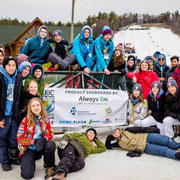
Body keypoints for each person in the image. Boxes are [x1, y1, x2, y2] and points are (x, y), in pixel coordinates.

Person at [17, 97, 55, 179]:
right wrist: (33, 141)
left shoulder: (45, 119)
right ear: (30, 108)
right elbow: (19, 137)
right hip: (29, 148)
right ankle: (28, 162)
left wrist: (44, 139)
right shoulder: (25, 120)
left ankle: (49, 165)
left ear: (41, 106)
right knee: (27, 175)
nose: (36, 107)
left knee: (51, 144)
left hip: (40, 147)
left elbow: (51, 133)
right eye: (33, 106)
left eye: (38, 105)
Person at [0, 56, 22, 171]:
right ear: (4, 66)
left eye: (13, 65)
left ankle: (13, 157)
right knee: (2, 138)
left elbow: (19, 96)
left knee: (14, 138)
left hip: (13, 114)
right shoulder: (0, 77)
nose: (11, 67)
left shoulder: (18, 78)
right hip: (3, 115)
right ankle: (4, 161)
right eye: (9, 65)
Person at [105, 127, 180, 161]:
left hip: (147, 137)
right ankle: (176, 155)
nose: (115, 133)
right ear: (113, 136)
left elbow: (139, 129)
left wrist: (152, 130)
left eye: (115, 131)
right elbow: (108, 146)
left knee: (166, 140)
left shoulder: (126, 130)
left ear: (117, 129)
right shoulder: (119, 144)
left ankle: (176, 145)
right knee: (162, 150)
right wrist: (109, 138)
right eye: (113, 133)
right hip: (145, 147)